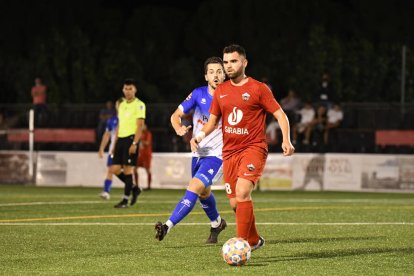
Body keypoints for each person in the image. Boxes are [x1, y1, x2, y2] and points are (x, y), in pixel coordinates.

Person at [190, 45, 295, 251]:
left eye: (233, 61)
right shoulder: (221, 91)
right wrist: (199, 135)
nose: (228, 66)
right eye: (226, 62)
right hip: (229, 153)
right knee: (236, 204)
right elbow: (211, 122)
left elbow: (280, 114)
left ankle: (240, 245)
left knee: (243, 190)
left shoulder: (259, 88)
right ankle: (254, 240)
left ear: (244, 63)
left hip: (253, 147)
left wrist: (287, 140)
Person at [155, 57, 227, 244]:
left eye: (219, 71)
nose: (216, 75)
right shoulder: (197, 94)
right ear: (206, 76)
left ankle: (167, 226)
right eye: (211, 72)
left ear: (225, 74)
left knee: (194, 187)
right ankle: (217, 223)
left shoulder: (230, 96)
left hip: (217, 155)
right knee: (204, 193)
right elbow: (176, 115)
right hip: (197, 153)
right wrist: (179, 128)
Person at [111, 79, 146, 208]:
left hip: (131, 139)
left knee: (127, 170)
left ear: (135, 90)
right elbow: (119, 125)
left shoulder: (140, 105)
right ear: (123, 90)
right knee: (114, 169)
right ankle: (134, 188)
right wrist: (114, 145)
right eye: (126, 88)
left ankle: (125, 200)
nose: (128, 91)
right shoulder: (121, 104)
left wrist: (135, 143)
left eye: (130, 88)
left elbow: (140, 126)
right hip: (120, 139)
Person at [98, 99, 120, 200]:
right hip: (113, 150)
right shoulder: (112, 120)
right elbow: (107, 135)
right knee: (111, 170)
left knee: (126, 171)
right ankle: (106, 191)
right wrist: (102, 148)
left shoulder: (130, 120)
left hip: (125, 149)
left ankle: (132, 188)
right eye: (117, 105)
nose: (119, 106)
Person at [134, 123, 152, 190]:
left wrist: (140, 140)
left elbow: (147, 143)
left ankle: (149, 186)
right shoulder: (138, 133)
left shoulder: (147, 133)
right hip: (139, 154)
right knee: (135, 169)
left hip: (146, 154)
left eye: (143, 125)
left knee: (147, 169)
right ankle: (136, 185)